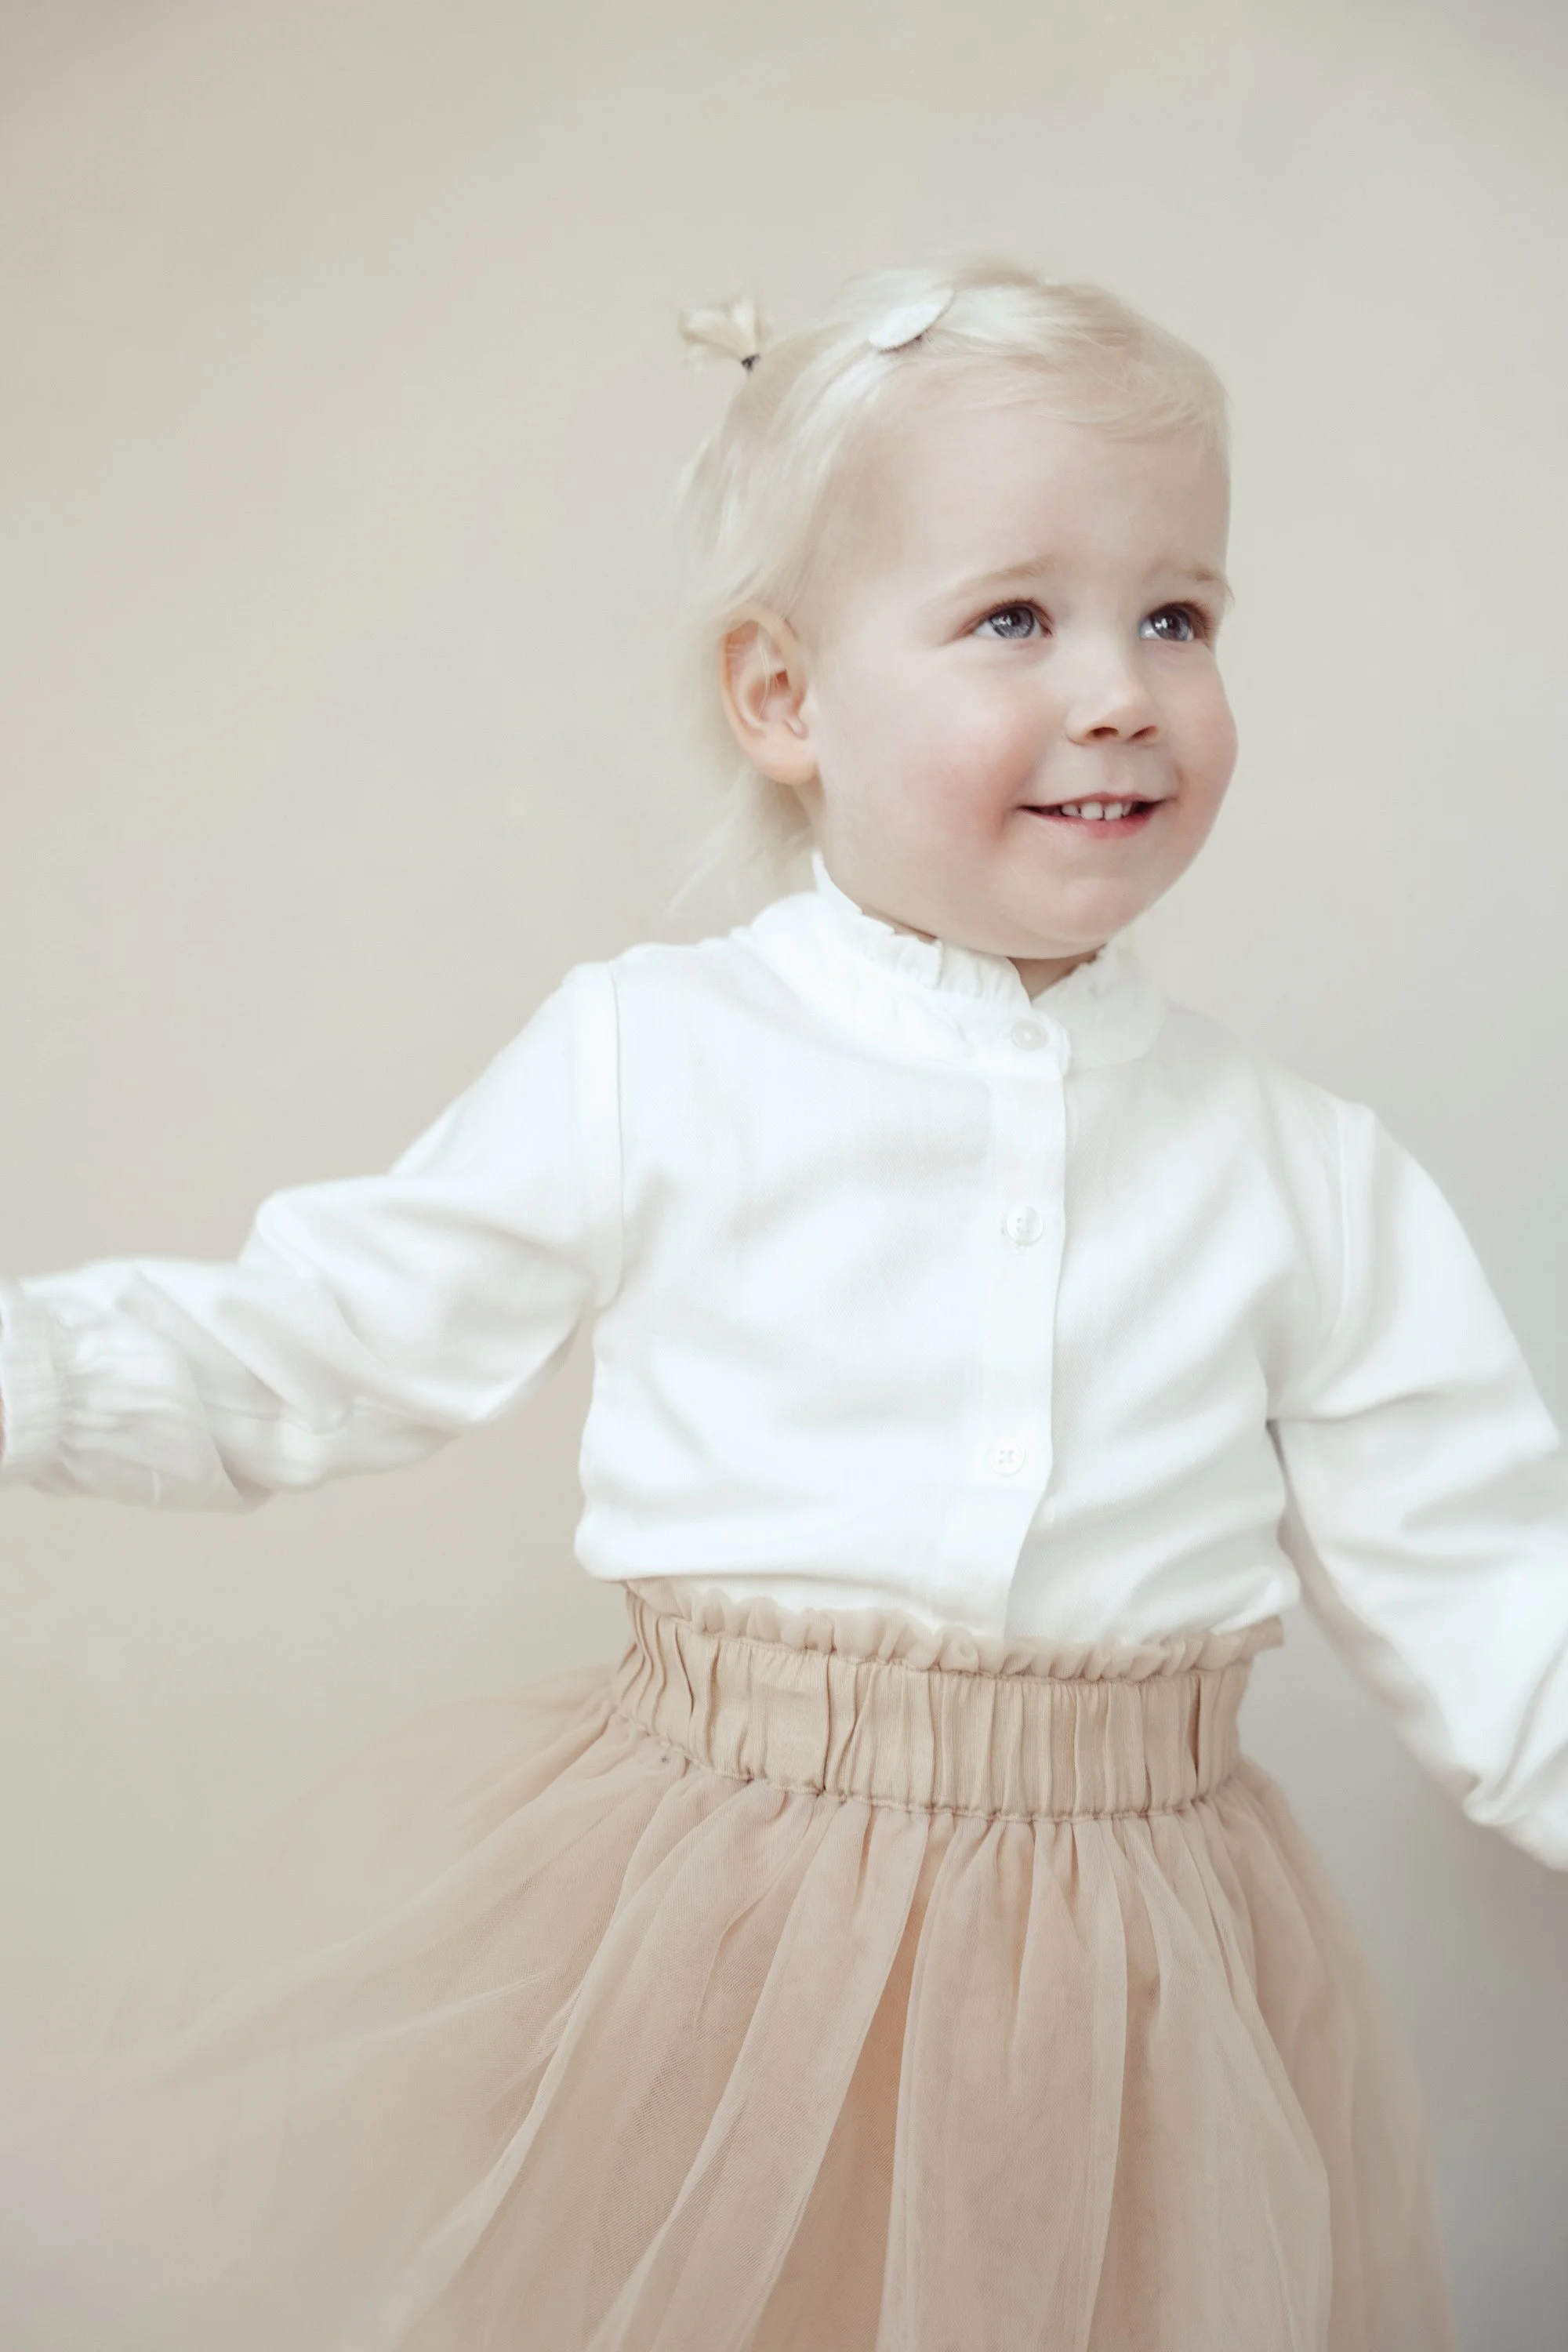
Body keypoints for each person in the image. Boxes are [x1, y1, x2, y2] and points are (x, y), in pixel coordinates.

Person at [2, 254, 1563, 2351]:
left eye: (1174, 616)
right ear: (785, 699)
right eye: (1017, 616)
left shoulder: (1308, 1171)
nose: (1118, 688)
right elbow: (309, 1343)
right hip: (715, 1955)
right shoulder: (657, 1058)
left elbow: (1501, 1602)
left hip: (1135, 2001)